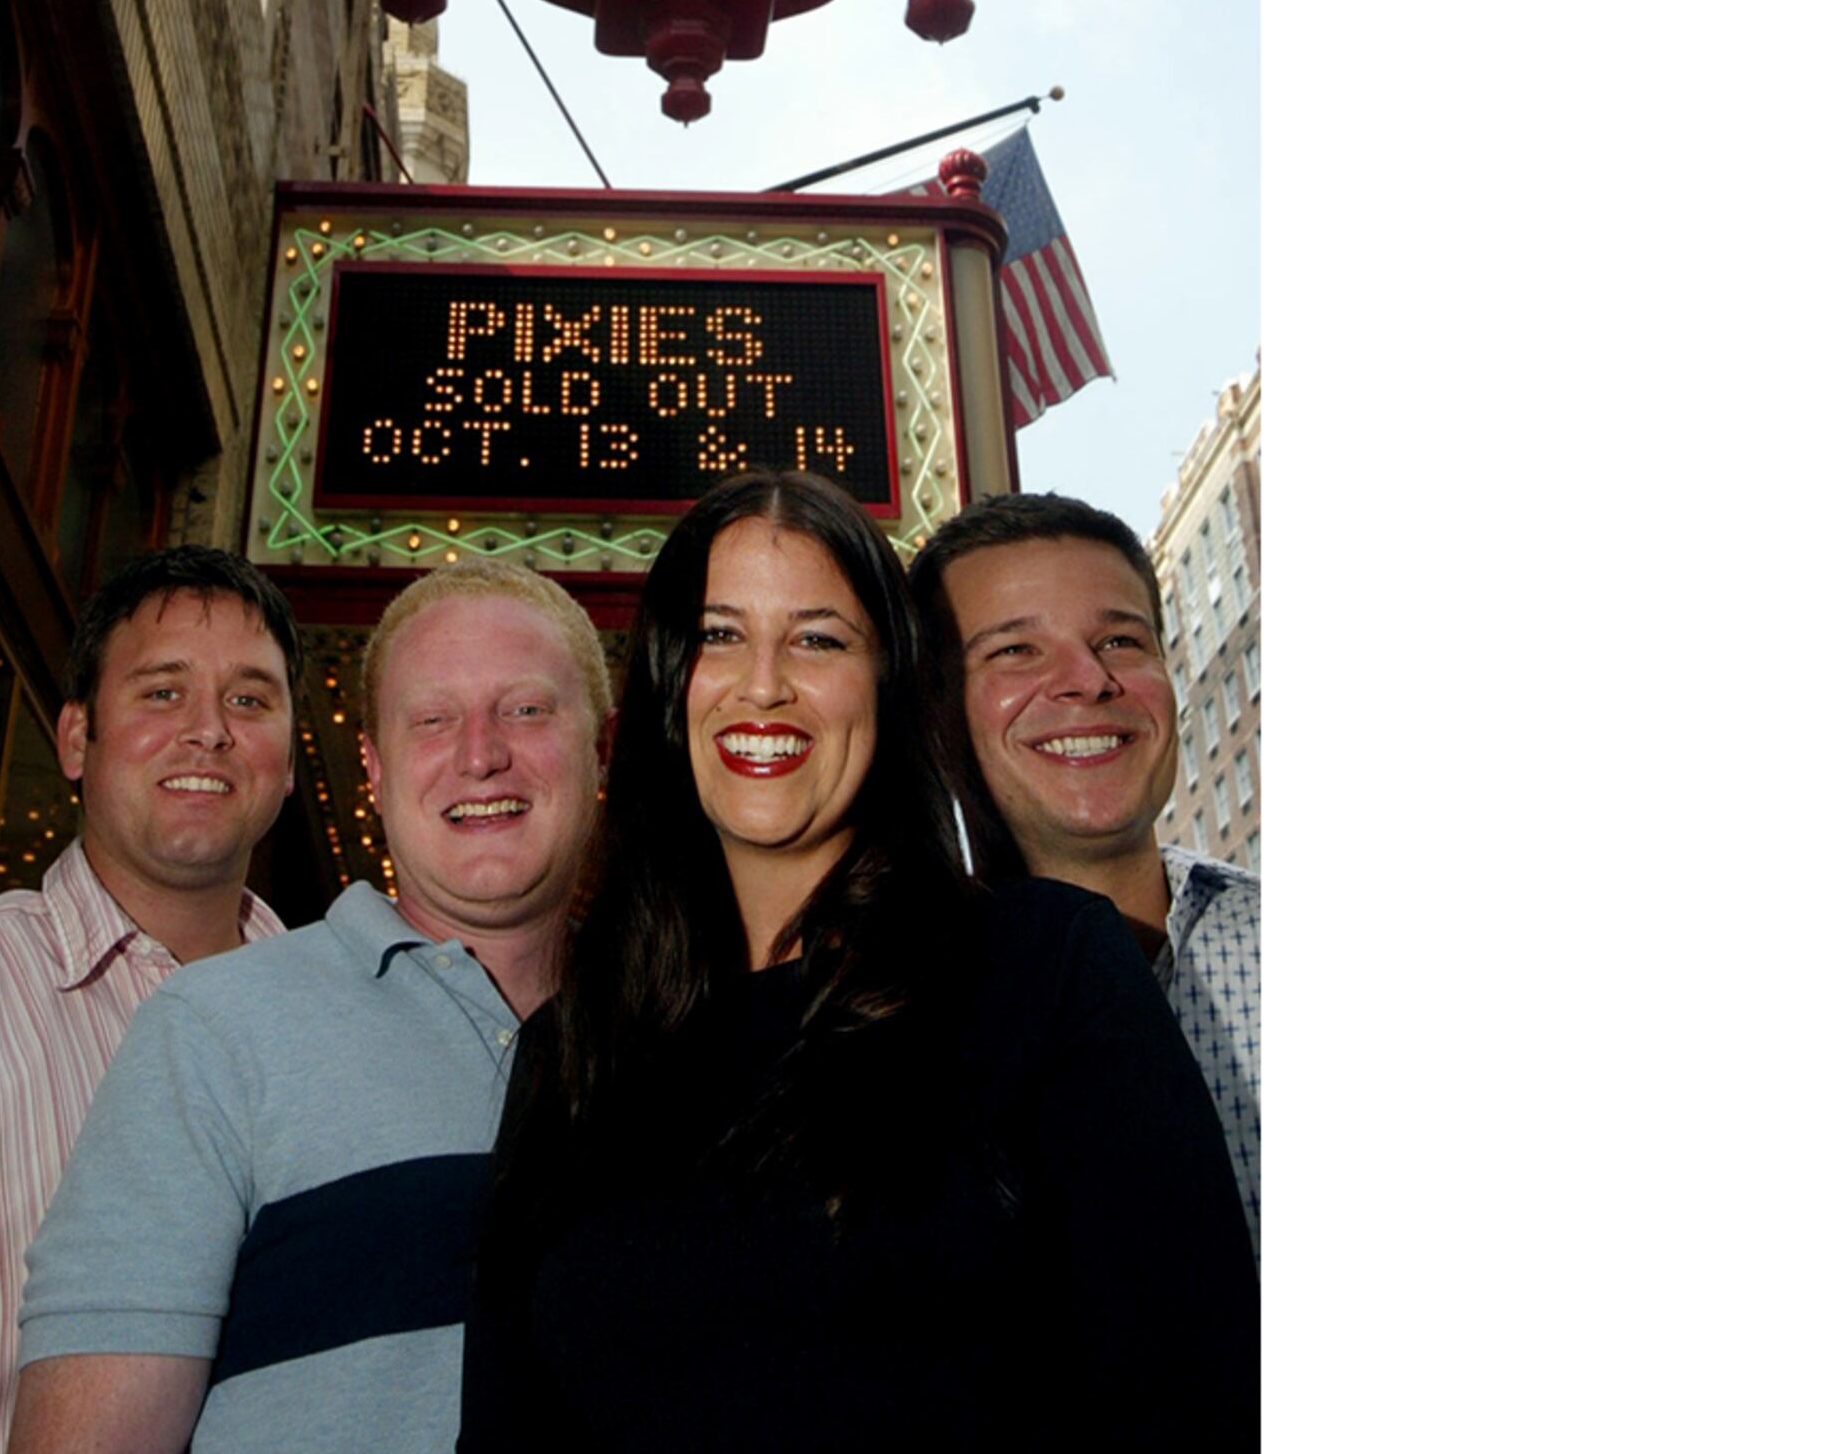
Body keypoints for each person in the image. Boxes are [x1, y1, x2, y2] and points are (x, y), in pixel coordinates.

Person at [462, 473, 1256, 1452]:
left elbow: (1194, 1395)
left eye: (818, 638)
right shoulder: (565, 1055)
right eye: (720, 635)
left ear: (889, 689)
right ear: (671, 686)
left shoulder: (1048, 967)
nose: (764, 682)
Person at [10, 558, 612, 1454]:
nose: (481, 752)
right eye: (433, 719)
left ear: (602, 748)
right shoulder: (211, 1032)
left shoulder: (690, 1038)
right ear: (372, 765)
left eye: (525, 710)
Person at [0, 546, 302, 1454]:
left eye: (249, 699)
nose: (209, 730)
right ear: (74, 738)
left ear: (289, 761)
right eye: (161, 692)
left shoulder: (341, 1030)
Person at [912, 490, 1263, 1249]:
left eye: (1121, 643)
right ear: (932, 713)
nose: (1087, 681)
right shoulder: (885, 1021)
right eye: (1014, 650)